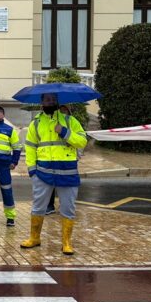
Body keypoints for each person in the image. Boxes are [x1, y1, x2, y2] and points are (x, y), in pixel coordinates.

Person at [21, 93, 88, 255]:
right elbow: (30, 147)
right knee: (38, 207)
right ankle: (34, 238)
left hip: (68, 172)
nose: (49, 102)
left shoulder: (70, 121)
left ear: (57, 102)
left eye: (52, 99)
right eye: (46, 99)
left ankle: (66, 242)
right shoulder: (35, 124)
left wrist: (64, 132)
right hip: (43, 172)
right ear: (42, 102)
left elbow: (82, 141)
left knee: (68, 208)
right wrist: (32, 170)